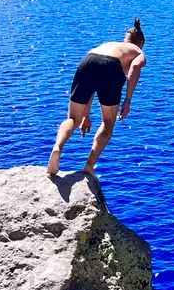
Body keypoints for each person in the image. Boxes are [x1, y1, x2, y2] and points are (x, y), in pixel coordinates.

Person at [47, 18, 147, 177]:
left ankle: (57, 147)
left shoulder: (108, 45)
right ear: (140, 43)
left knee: (73, 119)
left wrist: (86, 114)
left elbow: (92, 85)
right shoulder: (137, 51)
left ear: (125, 39)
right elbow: (134, 67)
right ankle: (89, 166)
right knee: (108, 123)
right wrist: (128, 100)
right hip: (112, 67)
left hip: (88, 60)